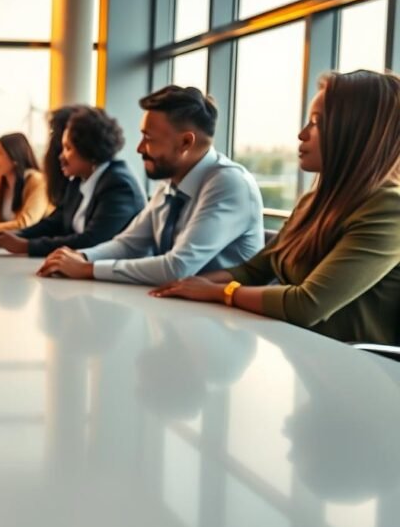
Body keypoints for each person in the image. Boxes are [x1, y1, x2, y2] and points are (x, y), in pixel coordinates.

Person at [152, 70, 400, 345]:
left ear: (356, 132)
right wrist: (183, 286)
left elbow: (305, 305)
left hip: (359, 370)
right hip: (305, 354)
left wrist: (218, 292)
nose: (302, 134)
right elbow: (254, 270)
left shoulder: (390, 209)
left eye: (316, 123)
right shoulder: (314, 201)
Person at [36, 85, 264, 284]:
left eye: (149, 138)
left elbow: (177, 267)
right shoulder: (171, 184)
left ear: (186, 142)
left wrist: (88, 269)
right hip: (180, 310)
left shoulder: (229, 184)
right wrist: (81, 257)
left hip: (226, 322)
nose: (139, 148)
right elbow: (129, 244)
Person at [0, 106, 145, 256]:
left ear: (88, 149)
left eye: (68, 148)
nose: (61, 156)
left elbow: (93, 241)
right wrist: (16, 235)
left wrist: (26, 246)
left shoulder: (118, 185)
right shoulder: (78, 181)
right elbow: (54, 223)